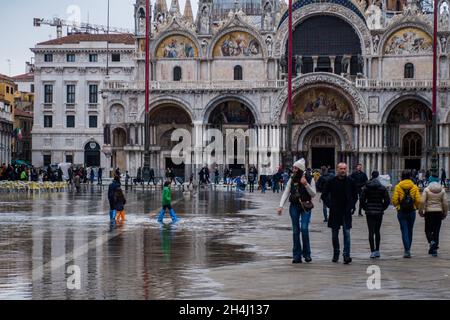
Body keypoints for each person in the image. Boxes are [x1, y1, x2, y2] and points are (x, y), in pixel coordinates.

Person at [277, 159, 316, 264]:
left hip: (306, 206)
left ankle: (307, 254)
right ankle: (296, 256)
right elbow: (286, 192)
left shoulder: (309, 178)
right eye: (293, 168)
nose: (293, 170)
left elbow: (314, 194)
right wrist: (281, 206)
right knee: (295, 231)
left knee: (304, 228)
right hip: (294, 206)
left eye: (295, 168)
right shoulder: (292, 179)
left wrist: (306, 184)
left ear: (300, 169)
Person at [322, 162, 358, 264]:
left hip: (346, 211)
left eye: (344, 168)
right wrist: (330, 205)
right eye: (341, 168)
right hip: (335, 211)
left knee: (347, 234)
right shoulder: (331, 181)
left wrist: (352, 205)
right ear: (337, 169)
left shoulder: (351, 181)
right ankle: (336, 253)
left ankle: (346, 255)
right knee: (334, 234)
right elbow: (324, 195)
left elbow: (355, 196)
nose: (343, 170)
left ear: (346, 169)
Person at [360, 171, 391, 259]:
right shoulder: (382, 188)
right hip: (379, 212)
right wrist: (382, 208)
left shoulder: (366, 187)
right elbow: (387, 200)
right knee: (377, 231)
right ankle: (377, 250)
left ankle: (372, 251)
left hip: (369, 212)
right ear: (378, 177)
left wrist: (365, 207)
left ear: (371, 176)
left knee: (371, 231)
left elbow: (362, 199)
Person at [392, 171, 421, 258]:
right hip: (412, 211)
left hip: (401, 211)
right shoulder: (414, 187)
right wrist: (415, 206)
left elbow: (394, 200)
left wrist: (398, 206)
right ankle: (408, 249)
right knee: (410, 230)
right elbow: (418, 200)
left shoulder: (398, 187)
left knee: (404, 230)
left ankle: (406, 250)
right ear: (410, 177)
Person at [419, 181, 448, 257]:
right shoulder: (442, 190)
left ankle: (431, 241)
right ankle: (434, 250)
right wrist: (445, 213)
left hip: (429, 212)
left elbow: (422, 201)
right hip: (438, 212)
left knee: (427, 230)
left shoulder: (426, 189)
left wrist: (420, 211)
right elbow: (445, 203)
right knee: (436, 231)